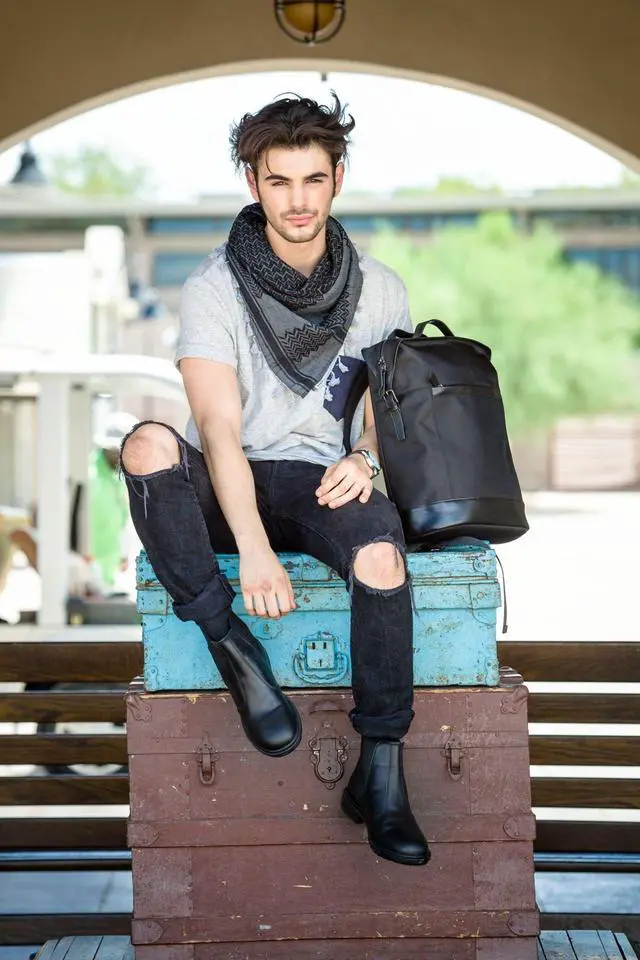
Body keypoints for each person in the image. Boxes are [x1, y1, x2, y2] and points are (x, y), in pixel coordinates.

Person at [120, 94, 429, 867]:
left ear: (337, 180)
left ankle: (382, 771)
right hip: (228, 481)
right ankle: (233, 648)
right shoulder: (213, 286)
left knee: (381, 556)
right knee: (146, 447)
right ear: (253, 183)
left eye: (313, 180)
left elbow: (382, 417)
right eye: (279, 180)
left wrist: (365, 458)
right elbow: (218, 429)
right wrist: (254, 552)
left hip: (320, 481)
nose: (297, 200)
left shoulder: (381, 289)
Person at [88, 412, 137, 588]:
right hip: (89, 565)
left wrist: (123, 554)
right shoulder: (90, 476)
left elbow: (122, 518)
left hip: (110, 565)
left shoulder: (118, 477)